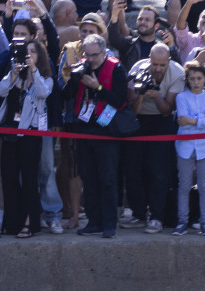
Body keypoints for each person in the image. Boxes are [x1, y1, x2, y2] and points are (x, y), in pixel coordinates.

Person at [62, 34, 128, 238]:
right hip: (84, 127)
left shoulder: (116, 67)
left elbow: (120, 101)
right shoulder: (82, 66)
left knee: (107, 178)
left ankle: (109, 223)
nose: (90, 59)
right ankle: (93, 221)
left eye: (94, 55)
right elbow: (66, 95)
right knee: (88, 177)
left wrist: (97, 87)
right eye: (87, 55)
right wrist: (73, 80)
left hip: (106, 129)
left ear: (104, 52)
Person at [121, 43, 184, 234]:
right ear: (149, 59)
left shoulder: (178, 73)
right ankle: (138, 213)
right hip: (139, 120)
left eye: (162, 65)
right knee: (133, 169)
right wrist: (139, 96)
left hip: (162, 121)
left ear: (169, 62)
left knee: (159, 171)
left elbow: (167, 111)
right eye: (154, 64)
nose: (157, 69)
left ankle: (157, 216)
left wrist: (157, 96)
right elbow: (133, 110)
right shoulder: (137, 69)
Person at [0, 38, 53, 239]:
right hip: (9, 134)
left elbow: (43, 92)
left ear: (39, 56)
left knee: (29, 180)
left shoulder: (44, 77)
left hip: (30, 135)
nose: (28, 55)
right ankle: (12, 223)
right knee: (9, 180)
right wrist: (14, 72)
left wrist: (33, 70)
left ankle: (30, 223)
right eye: (25, 52)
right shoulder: (13, 75)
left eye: (32, 52)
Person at [172, 61, 205, 236]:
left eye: (199, 78)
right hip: (184, 147)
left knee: (204, 185)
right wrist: (201, 118)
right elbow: (182, 120)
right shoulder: (181, 97)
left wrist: (193, 120)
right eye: (192, 79)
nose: (196, 82)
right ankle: (182, 221)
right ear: (187, 80)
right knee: (184, 185)